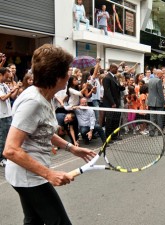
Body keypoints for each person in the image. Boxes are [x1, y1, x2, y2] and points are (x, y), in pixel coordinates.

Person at [3, 44, 96, 224]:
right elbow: (10, 150)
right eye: (67, 71)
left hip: (28, 175)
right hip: (30, 177)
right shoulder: (33, 102)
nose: (70, 74)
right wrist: (48, 174)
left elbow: (42, 131)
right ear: (56, 76)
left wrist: (71, 148)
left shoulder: (46, 96)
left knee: (33, 221)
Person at [0, 67, 19, 167]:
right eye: (6, 76)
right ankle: (1, 159)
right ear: (1, 75)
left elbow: (12, 97)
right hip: (1, 116)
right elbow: (3, 97)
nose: (7, 79)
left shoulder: (4, 85)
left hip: (9, 114)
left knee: (8, 137)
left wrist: (16, 89)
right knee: (2, 137)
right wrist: (12, 91)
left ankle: (7, 156)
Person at [102, 63, 125, 140]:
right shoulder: (107, 78)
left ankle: (114, 135)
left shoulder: (114, 78)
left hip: (117, 102)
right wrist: (112, 103)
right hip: (110, 103)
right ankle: (108, 137)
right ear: (111, 68)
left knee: (116, 120)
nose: (117, 70)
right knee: (109, 120)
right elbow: (107, 92)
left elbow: (118, 88)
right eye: (116, 68)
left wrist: (122, 87)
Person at [147, 69, 165, 136]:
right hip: (158, 102)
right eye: (161, 74)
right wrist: (164, 103)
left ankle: (151, 132)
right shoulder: (159, 81)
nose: (162, 75)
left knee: (152, 118)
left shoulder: (150, 80)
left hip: (151, 102)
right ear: (158, 74)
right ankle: (160, 132)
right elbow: (161, 94)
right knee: (159, 118)